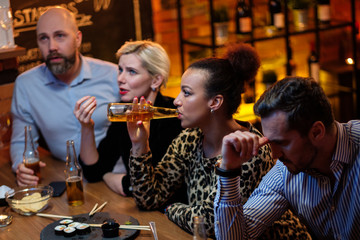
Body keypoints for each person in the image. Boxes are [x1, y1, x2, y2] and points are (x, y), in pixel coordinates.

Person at [127, 44, 310, 238]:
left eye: (187, 93)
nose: (176, 100)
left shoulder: (248, 147)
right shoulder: (189, 139)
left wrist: (170, 208)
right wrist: (140, 145)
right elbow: (149, 198)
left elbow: (213, 225)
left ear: (215, 102)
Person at [215, 76, 360, 239]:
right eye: (270, 142)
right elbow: (237, 237)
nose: (274, 154)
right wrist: (229, 171)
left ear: (317, 132)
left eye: (281, 142)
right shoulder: (284, 172)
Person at [10, 7, 119, 186]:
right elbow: (21, 141)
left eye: (60, 35)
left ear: (78, 38)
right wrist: (20, 166)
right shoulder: (26, 84)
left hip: (112, 174)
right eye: (43, 38)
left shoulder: (112, 75)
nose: (51, 46)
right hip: (66, 178)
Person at [74, 40, 184, 198]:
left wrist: (113, 178)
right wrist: (87, 126)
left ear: (156, 80)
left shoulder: (174, 117)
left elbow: (151, 187)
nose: (120, 78)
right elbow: (93, 172)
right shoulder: (125, 111)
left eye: (131, 71)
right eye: (120, 70)